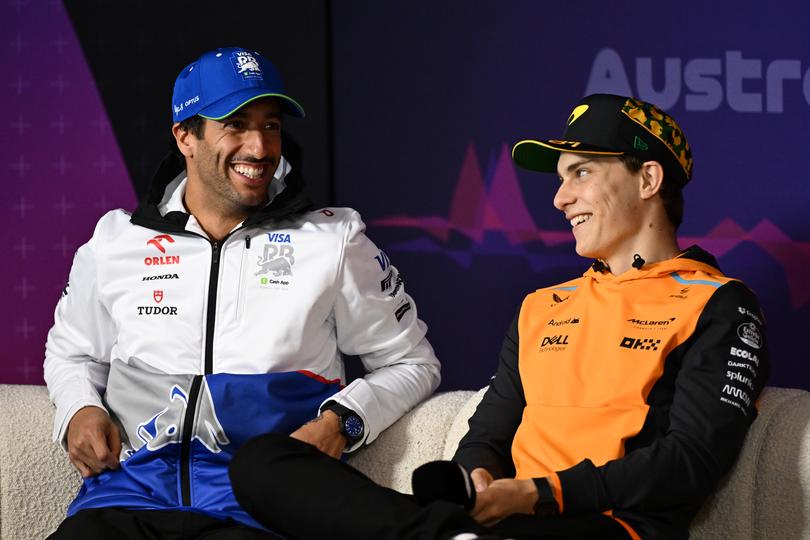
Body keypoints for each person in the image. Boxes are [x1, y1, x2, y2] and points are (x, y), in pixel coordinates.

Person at [227, 94, 769, 540]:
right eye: (561, 178)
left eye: (580, 173)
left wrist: (540, 494)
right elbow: (487, 432)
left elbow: (690, 462)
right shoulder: (543, 305)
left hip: (606, 527)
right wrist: (477, 475)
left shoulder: (719, 303)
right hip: (501, 522)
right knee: (263, 463)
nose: (560, 199)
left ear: (648, 179)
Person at [43, 46, 441, 539]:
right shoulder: (115, 241)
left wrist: (343, 421)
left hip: (258, 509)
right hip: (124, 499)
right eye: (235, 124)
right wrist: (80, 407)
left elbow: (413, 364)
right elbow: (70, 353)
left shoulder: (333, 241)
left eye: (271, 125)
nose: (259, 147)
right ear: (185, 136)